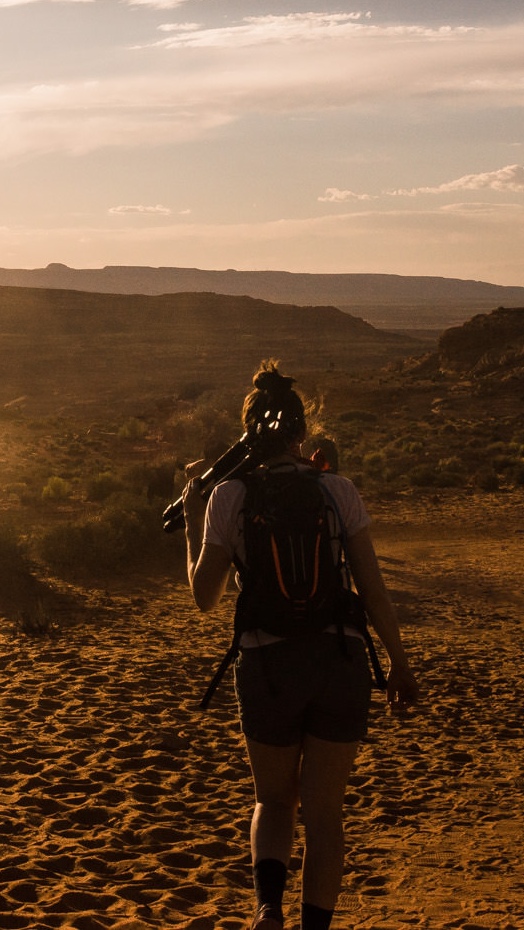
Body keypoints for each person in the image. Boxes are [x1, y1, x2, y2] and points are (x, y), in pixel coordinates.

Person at [183, 362, 419, 930]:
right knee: (324, 811)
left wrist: (194, 517)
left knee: (273, 799)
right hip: (339, 661)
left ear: (249, 434)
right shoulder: (337, 490)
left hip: (266, 664)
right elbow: (371, 587)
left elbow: (204, 597)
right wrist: (399, 661)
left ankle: (268, 908)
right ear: (301, 433)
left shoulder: (230, 495)